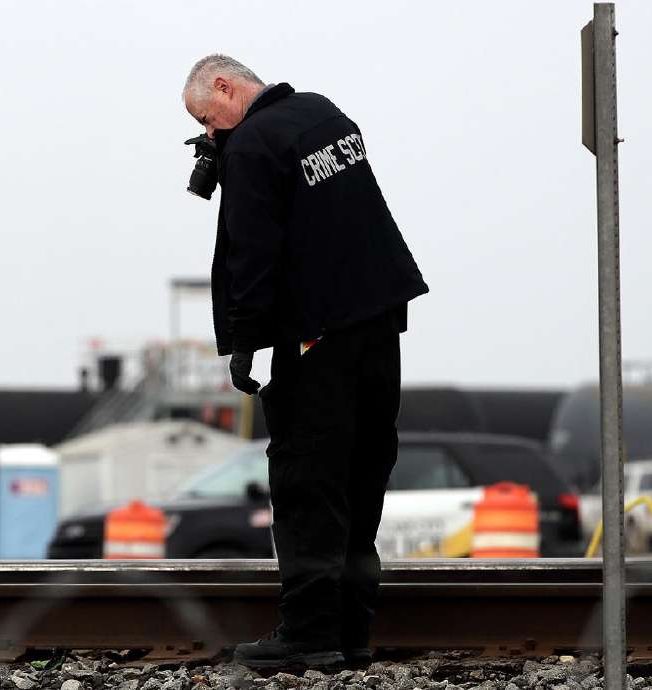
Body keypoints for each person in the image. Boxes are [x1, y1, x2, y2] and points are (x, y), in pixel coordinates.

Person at [181, 54, 429, 669]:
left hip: (315, 341)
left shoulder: (253, 146)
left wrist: (243, 340)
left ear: (224, 85)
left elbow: (252, 250)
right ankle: (349, 631)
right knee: (360, 479)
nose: (211, 136)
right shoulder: (325, 115)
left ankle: (311, 634)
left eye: (208, 119)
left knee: (305, 484)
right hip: (377, 326)